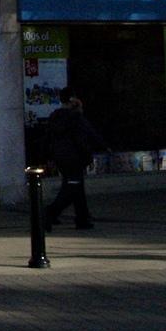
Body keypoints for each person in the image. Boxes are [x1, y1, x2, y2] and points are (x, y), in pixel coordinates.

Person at [43, 88, 104, 231]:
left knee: (76, 186)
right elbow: (87, 135)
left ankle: (82, 218)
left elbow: (48, 138)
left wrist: (49, 156)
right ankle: (50, 212)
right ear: (73, 100)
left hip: (61, 157)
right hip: (74, 158)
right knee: (72, 187)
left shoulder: (55, 116)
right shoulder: (75, 117)